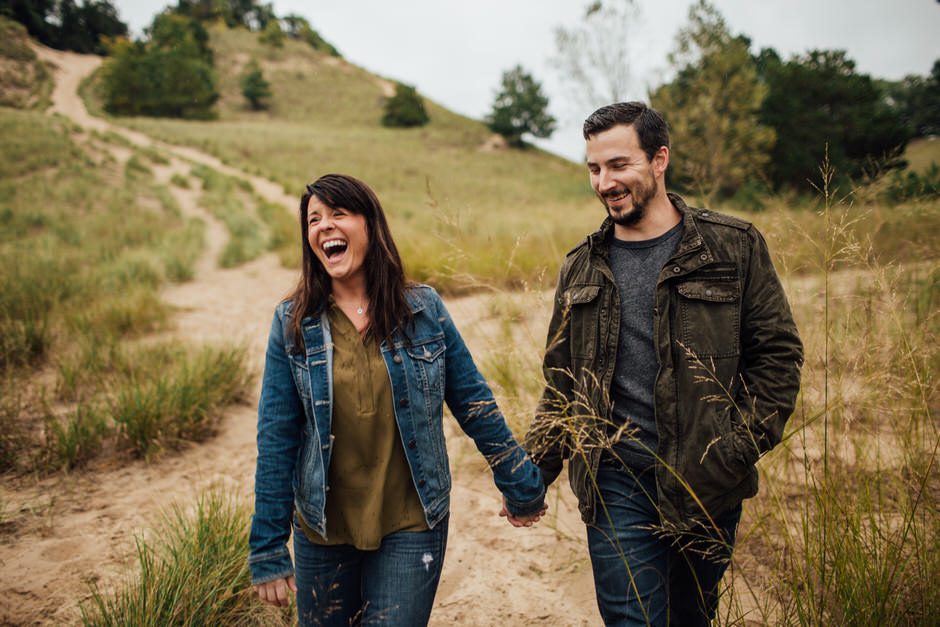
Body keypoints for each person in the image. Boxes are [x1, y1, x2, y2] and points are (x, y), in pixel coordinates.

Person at [521, 102, 803, 626]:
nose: (604, 182)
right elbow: (562, 384)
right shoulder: (581, 266)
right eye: (594, 169)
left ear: (659, 160)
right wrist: (533, 471)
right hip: (615, 480)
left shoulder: (732, 247)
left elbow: (777, 358)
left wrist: (734, 450)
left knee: (690, 615)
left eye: (618, 165)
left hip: (706, 480)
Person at [248, 173, 546, 625]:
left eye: (338, 214)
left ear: (370, 225)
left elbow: (474, 403)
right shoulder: (293, 322)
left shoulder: (422, 311)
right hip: (323, 528)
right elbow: (276, 436)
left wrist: (520, 483)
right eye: (313, 220)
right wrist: (268, 545)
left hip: (412, 520)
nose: (324, 226)